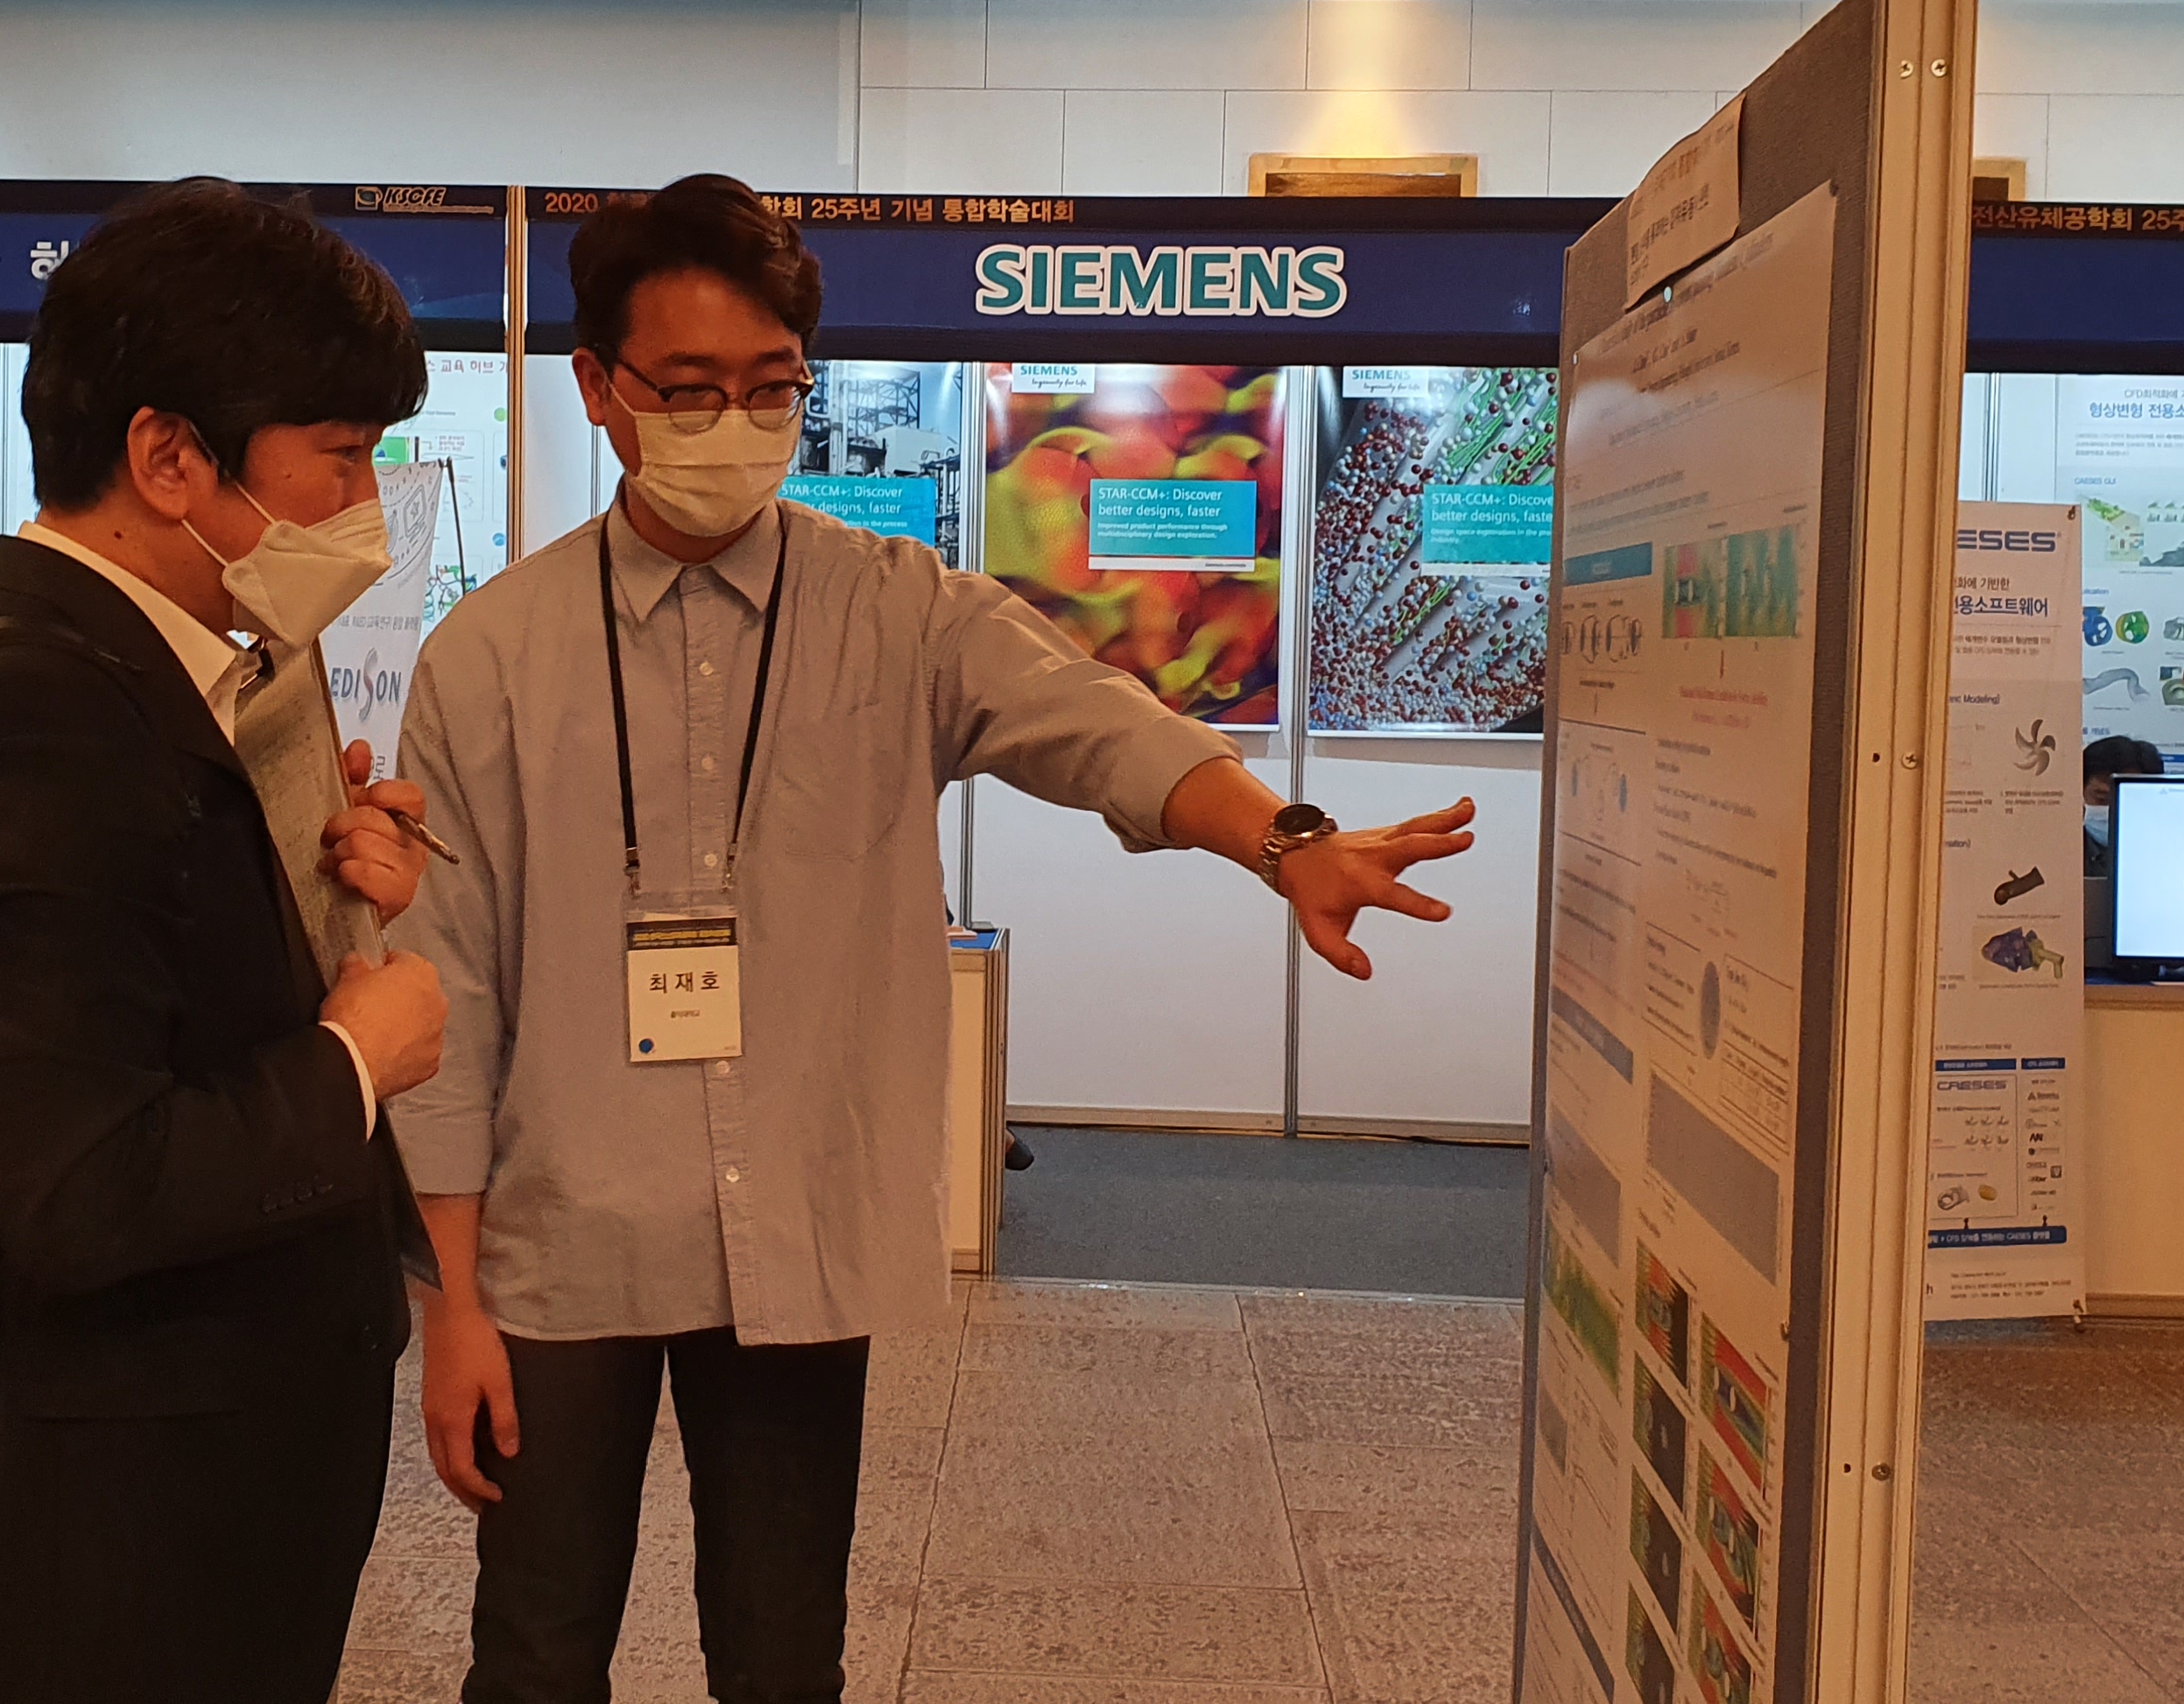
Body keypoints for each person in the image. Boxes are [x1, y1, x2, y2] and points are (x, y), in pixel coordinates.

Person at [393, 174, 1475, 1704]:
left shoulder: (893, 609)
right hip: (557, 1242)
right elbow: (445, 979)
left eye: (771, 388)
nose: (733, 424)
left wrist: (1283, 838)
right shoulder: (490, 657)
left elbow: (1098, 723)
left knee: (784, 1654)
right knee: (534, 1652)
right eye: (689, 389)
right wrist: (449, 1300)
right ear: (598, 387)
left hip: (797, 1223)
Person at [0, 180, 451, 1704]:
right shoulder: (32, 715)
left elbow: (153, 1004)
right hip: (104, 1520)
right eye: (341, 456)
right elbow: (78, 1186)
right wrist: (357, 1059)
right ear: (168, 456)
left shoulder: (141, 680)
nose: (365, 507)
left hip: (184, 1483)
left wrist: (329, 907)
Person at [2082, 732, 2165, 874]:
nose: (2114, 810)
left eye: (2128, 801)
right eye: (2102, 799)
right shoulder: (2059, 848)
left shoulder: (2169, 850)